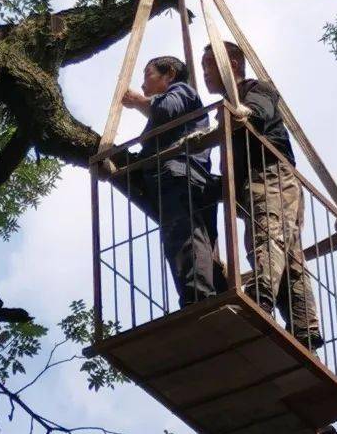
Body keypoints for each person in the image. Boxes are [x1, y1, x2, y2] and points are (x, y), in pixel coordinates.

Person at [201, 41, 323, 350]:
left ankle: (260, 297)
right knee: (289, 255)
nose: (205, 74)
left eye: (209, 65)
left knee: (267, 237)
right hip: (264, 181)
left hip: (270, 176)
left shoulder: (256, 89)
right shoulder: (229, 106)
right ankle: (304, 326)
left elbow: (259, 114)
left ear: (233, 63)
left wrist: (244, 113)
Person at [121, 56, 222, 307]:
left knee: (184, 236)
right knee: (195, 237)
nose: (143, 83)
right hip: (185, 175)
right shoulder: (171, 115)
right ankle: (212, 294)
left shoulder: (181, 91)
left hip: (180, 173)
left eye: (148, 74)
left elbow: (166, 110)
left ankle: (197, 297)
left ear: (169, 75)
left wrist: (138, 102)